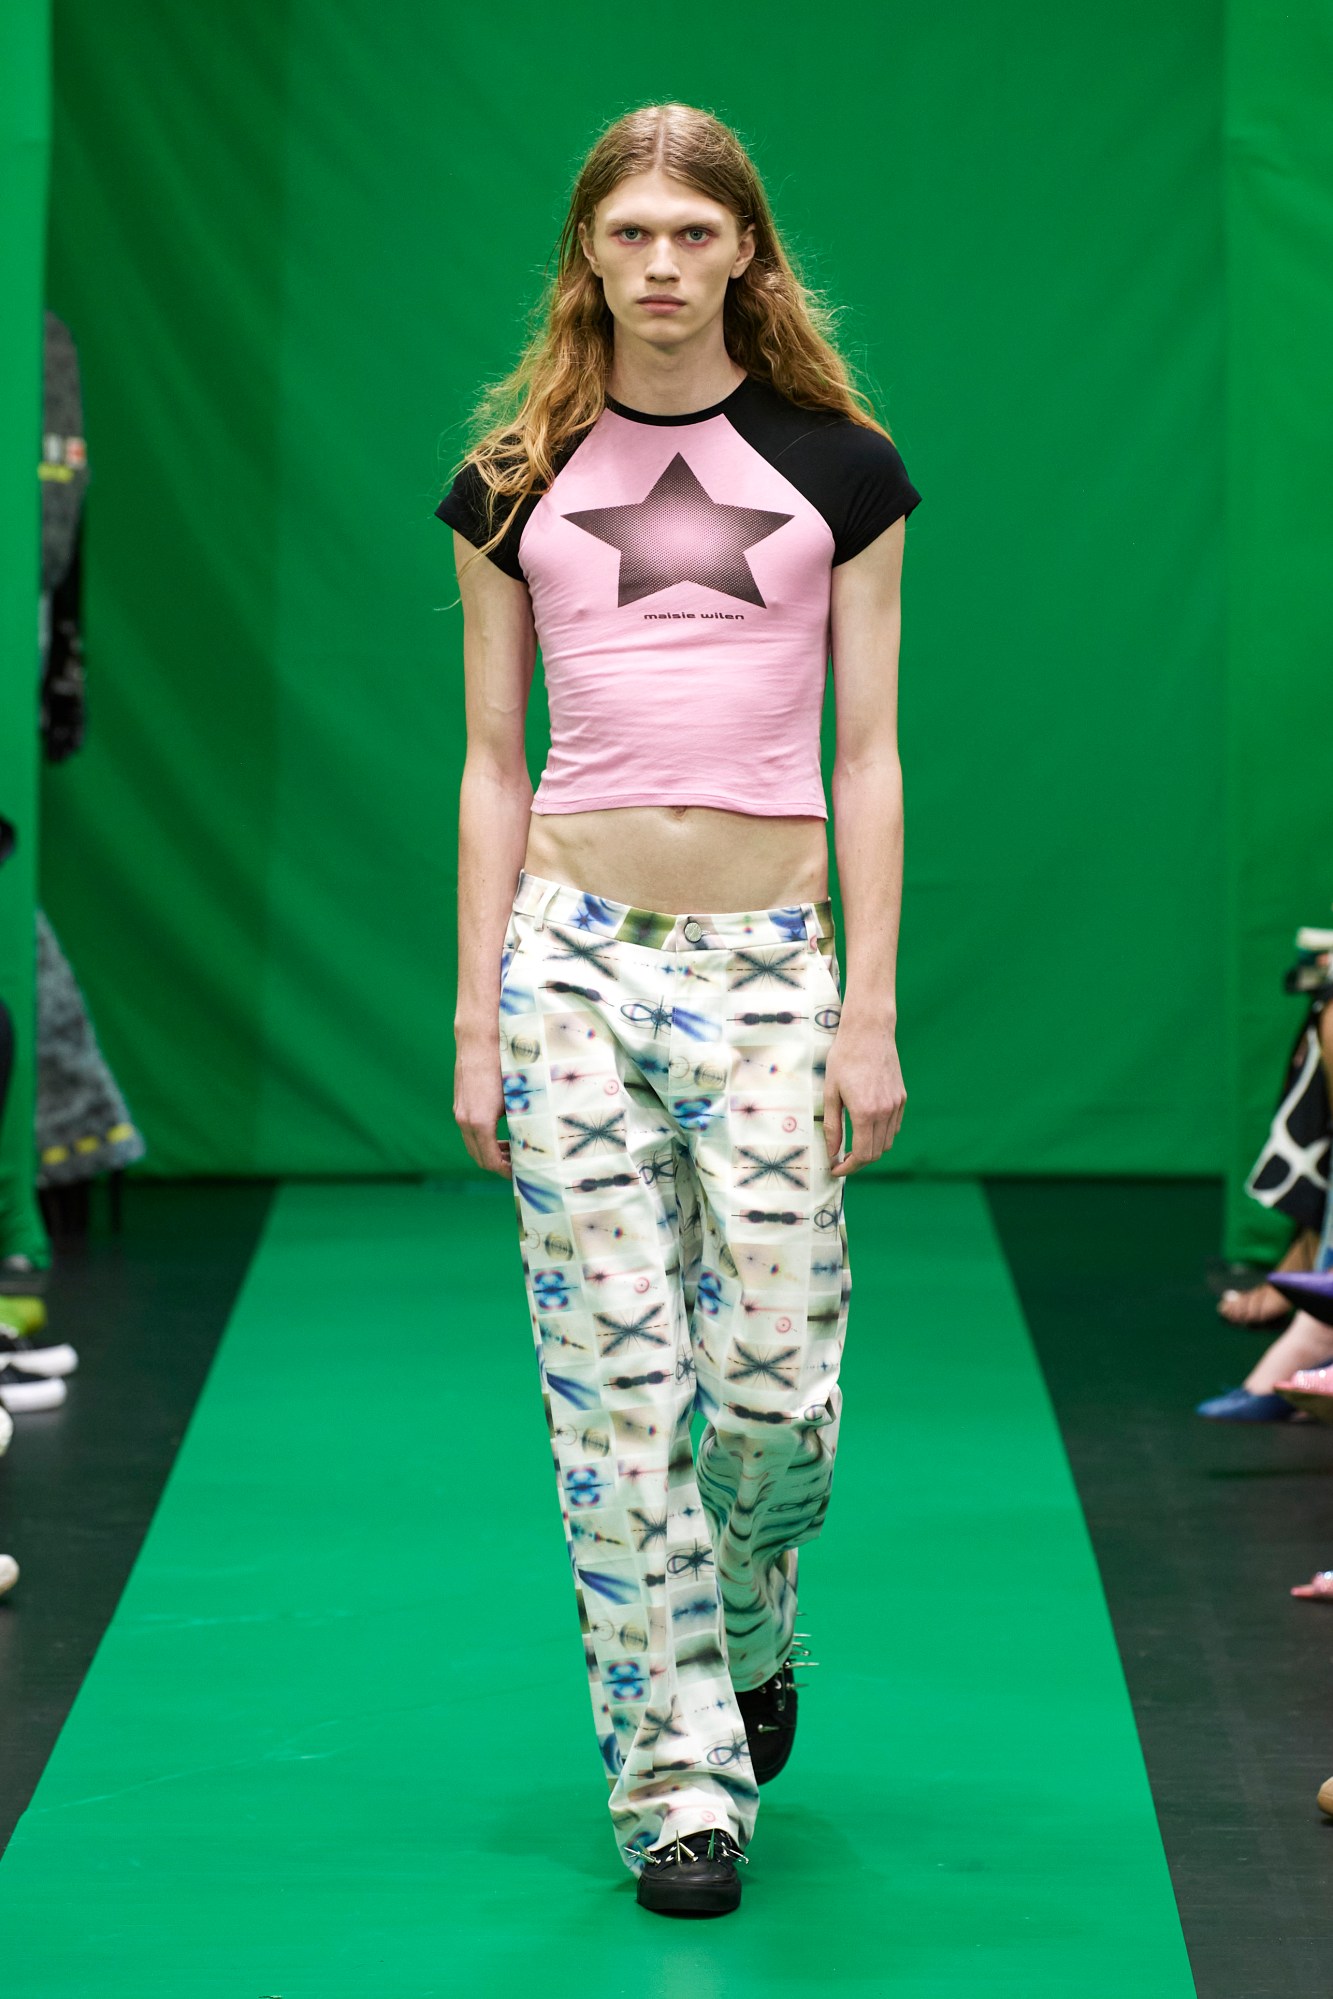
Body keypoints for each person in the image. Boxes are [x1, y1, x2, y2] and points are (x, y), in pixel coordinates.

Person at [437, 103, 919, 1917]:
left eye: (692, 233)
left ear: (745, 251)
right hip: (567, 964)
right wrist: (475, 1019)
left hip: (774, 966)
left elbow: (866, 754)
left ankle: (750, 1613)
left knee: (777, 1396)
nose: (659, 264)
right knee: (614, 1404)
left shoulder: (840, 469)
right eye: (628, 232)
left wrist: (868, 1006)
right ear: (587, 250)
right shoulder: (512, 479)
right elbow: (492, 764)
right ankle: (677, 1783)